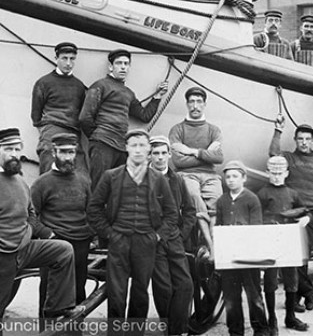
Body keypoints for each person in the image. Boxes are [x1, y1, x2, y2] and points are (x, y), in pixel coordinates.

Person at [87, 129, 179, 335]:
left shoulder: (158, 179)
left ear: (148, 150)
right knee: (116, 294)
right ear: (126, 148)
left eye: (142, 146)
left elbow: (172, 214)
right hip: (118, 240)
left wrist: (157, 236)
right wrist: (109, 233)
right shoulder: (111, 176)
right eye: (134, 145)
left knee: (140, 293)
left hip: (146, 242)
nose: (138, 150)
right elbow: (94, 208)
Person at [0, 128, 82, 321]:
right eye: (8, 149)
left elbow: (30, 212)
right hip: (3, 255)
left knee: (63, 251)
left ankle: (56, 308)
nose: (14, 154)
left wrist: (27, 232)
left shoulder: (20, 181)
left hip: (23, 249)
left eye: (17, 149)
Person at [79, 48, 168, 189]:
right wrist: (98, 136)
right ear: (110, 66)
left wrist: (157, 97)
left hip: (121, 148)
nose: (123, 67)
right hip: (103, 144)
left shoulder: (128, 93)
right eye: (119, 63)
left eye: (126, 64)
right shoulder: (100, 86)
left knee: (117, 189)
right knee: (97, 186)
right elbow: (85, 117)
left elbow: (144, 116)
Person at [270, 119, 313, 312]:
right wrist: (277, 131)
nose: (304, 142)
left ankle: (298, 297)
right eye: (300, 139)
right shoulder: (288, 158)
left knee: (302, 256)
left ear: (312, 141)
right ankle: (307, 293)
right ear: (295, 140)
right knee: (289, 256)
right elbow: (273, 155)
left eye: (307, 139)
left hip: (309, 214)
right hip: (289, 212)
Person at [31, 133, 93, 312]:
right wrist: (47, 234)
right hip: (55, 244)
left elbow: (92, 212)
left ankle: (75, 331)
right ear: (53, 152)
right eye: (63, 152)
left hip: (80, 243)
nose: (68, 157)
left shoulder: (83, 181)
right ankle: (46, 331)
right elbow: (30, 216)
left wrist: (91, 232)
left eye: (71, 152)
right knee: (50, 293)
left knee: (78, 292)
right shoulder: (42, 183)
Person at [215, 160, 269, 336]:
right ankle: (235, 330)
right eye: (228, 176)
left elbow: (256, 228)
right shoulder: (222, 200)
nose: (231, 180)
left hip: (248, 256)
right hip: (229, 257)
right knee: (231, 297)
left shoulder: (251, 199)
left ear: (244, 178)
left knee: (254, 296)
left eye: (235, 176)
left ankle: (260, 329)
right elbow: (219, 226)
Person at [169, 87, 223, 257]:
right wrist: (206, 153)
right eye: (191, 101)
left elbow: (219, 158)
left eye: (199, 102)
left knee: (217, 202)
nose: (195, 106)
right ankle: (209, 246)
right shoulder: (177, 129)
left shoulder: (214, 130)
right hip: (186, 174)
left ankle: (211, 247)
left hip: (211, 176)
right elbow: (178, 160)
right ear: (187, 104)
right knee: (195, 200)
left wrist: (192, 151)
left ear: (205, 104)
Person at [149, 135, 195, 336]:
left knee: (185, 284)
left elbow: (190, 211)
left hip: (175, 239)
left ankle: (176, 329)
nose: (159, 158)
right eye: (155, 153)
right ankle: (170, 327)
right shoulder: (144, 180)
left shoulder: (177, 180)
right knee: (163, 287)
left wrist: (182, 235)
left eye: (163, 153)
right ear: (150, 156)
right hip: (154, 241)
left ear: (169, 155)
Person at [258, 156, 309, 334]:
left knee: (291, 279)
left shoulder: (293, 193)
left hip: (288, 240)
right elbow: (256, 217)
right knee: (271, 280)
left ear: (286, 173)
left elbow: (304, 210)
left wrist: (305, 219)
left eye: (280, 173)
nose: (277, 176)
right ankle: (271, 319)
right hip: (270, 240)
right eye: (273, 173)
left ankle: (290, 316)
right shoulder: (262, 193)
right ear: (267, 173)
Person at [31, 42, 87, 174]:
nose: (68, 63)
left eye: (72, 59)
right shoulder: (43, 83)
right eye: (64, 58)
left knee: (79, 174)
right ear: (56, 59)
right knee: (49, 170)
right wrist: (47, 130)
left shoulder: (79, 86)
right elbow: (35, 115)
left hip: (73, 132)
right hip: (51, 130)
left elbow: (82, 114)